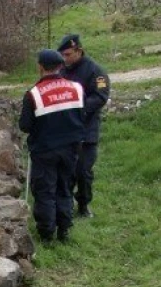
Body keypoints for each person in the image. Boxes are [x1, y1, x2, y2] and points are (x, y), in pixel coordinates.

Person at [19, 49, 84, 244]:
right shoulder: (76, 88)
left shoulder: (33, 95)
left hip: (44, 150)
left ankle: (46, 234)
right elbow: (81, 115)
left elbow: (25, 126)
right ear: (60, 66)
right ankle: (64, 230)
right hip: (71, 148)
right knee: (64, 188)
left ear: (40, 67)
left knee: (45, 191)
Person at [58, 33, 109, 218]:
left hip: (87, 129)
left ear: (79, 50)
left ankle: (84, 204)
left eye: (68, 54)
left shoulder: (95, 71)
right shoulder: (62, 70)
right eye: (63, 55)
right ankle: (66, 203)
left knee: (83, 171)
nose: (65, 58)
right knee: (67, 170)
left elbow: (100, 97)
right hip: (66, 130)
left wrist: (78, 108)